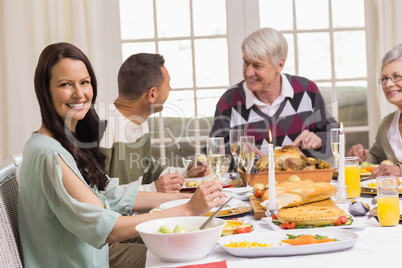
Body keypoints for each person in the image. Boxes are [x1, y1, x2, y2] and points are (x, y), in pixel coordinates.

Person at [18, 42, 226, 268]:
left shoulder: (60, 144)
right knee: (193, 256)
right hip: (90, 259)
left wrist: (184, 198)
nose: (79, 93)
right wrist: (188, 209)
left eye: (85, 82)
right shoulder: (50, 154)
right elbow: (109, 227)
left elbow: (109, 193)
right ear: (45, 90)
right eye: (65, 84)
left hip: (92, 254)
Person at [209, 27, 337, 162]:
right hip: (252, 183)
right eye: (246, 62)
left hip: (301, 182)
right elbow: (211, 153)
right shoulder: (229, 101)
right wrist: (234, 151)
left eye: (257, 66)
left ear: (279, 65)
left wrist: (320, 141)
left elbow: (335, 135)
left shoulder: (306, 91)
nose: (248, 72)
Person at [99, 53, 208, 193]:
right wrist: (153, 189)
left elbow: (148, 170)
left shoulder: (139, 120)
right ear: (152, 95)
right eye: (167, 84)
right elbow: (98, 194)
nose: (170, 89)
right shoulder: (103, 126)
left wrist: (185, 173)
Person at [347, 44, 402, 178]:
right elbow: (376, 159)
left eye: (396, 76)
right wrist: (363, 157)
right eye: (384, 78)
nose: (388, 84)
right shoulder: (387, 124)